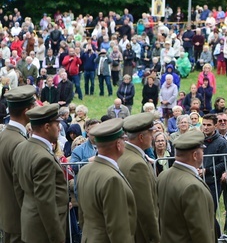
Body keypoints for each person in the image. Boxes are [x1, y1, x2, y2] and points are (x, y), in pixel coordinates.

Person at [12, 103, 69, 243]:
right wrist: (57, 237)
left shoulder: (21, 147)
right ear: (47, 127)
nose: (59, 128)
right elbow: (46, 203)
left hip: (31, 223)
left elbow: (18, 188)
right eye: (57, 124)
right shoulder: (43, 157)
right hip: (44, 232)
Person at [77, 118, 137, 241]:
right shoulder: (112, 178)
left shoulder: (84, 170)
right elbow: (117, 228)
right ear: (118, 144)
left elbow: (83, 217)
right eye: (123, 140)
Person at [157, 130, 216, 243]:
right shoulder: (193, 187)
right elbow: (200, 231)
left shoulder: (163, 176)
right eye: (202, 151)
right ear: (195, 155)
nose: (203, 154)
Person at [0, 86, 36, 243]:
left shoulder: (5, 136)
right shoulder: (19, 143)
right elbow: (21, 187)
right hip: (19, 219)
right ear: (26, 111)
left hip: (7, 215)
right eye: (33, 106)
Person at [118, 113, 160, 243]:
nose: (153, 137)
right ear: (141, 137)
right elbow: (145, 208)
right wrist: (155, 237)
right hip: (140, 234)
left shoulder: (126, 155)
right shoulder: (137, 164)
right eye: (151, 133)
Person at [201, 113, 227, 239]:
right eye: (204, 124)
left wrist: (207, 170)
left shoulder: (221, 143)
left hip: (212, 183)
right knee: (200, 213)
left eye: (209, 125)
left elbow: (225, 163)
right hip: (197, 181)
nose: (206, 127)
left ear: (215, 125)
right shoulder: (198, 139)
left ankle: (217, 237)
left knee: (209, 212)